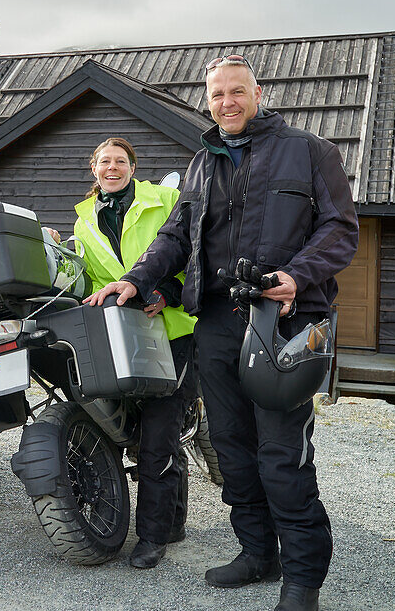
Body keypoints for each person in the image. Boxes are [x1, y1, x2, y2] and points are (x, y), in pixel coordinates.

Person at [92, 56, 358, 611]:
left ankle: (303, 578)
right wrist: (136, 280)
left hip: (285, 319)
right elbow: (174, 234)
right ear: (207, 101)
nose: (228, 103)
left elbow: (339, 230)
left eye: (237, 92)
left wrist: (297, 275)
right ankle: (257, 552)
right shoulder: (200, 162)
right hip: (215, 321)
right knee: (233, 449)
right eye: (218, 95)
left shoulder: (309, 151)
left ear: (258, 93)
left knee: (281, 454)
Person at [76, 138, 196, 569]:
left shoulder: (165, 199)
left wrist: (168, 291)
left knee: (158, 436)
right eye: (104, 161)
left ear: (133, 167)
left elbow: (193, 256)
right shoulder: (83, 221)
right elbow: (92, 281)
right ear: (94, 168)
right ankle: (174, 520)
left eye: (120, 161)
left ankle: (153, 537)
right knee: (143, 433)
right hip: (123, 336)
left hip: (175, 329)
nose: (112, 168)